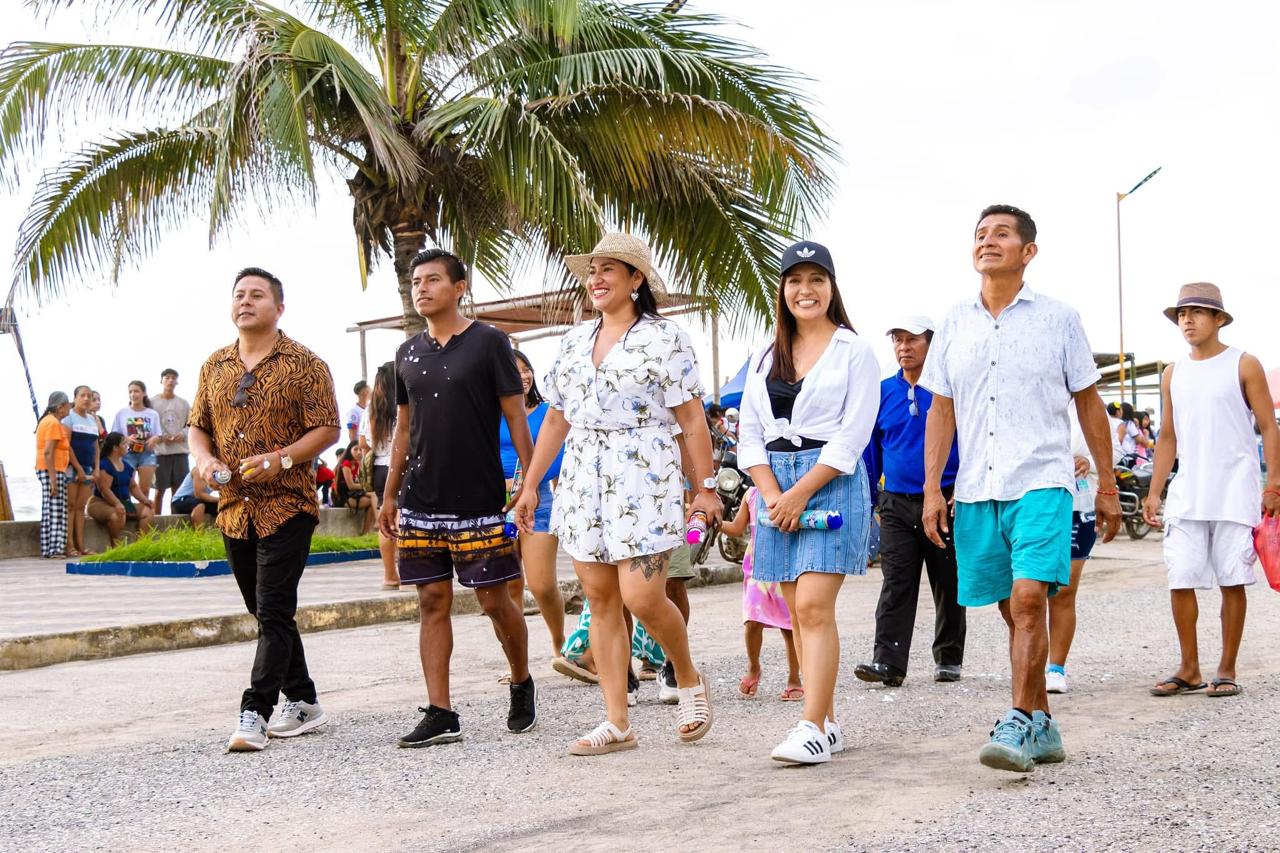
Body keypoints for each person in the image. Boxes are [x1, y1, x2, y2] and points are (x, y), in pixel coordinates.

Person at [919, 204, 1121, 774]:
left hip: (1043, 481)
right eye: (980, 234)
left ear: (1028, 251)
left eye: (1001, 234)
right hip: (978, 488)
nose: (987, 241)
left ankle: (1014, 723)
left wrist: (1107, 485)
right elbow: (941, 409)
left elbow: (1088, 402)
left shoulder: (1059, 318)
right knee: (1012, 609)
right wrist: (933, 489)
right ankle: (1043, 723)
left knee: (1031, 599)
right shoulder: (954, 322)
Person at [514, 233, 720, 756]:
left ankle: (687, 676)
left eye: (609, 268)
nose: (597, 278)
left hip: (644, 474)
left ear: (636, 280)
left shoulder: (666, 338)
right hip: (583, 477)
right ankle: (617, 721)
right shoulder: (572, 341)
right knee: (601, 599)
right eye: (592, 270)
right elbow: (556, 419)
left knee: (642, 596)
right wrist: (531, 484)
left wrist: (706, 488)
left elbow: (692, 419)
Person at [377, 249, 536, 749]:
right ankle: (442, 712)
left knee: (495, 601)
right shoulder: (407, 353)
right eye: (415, 281)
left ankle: (520, 680)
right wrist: (389, 495)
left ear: (459, 287)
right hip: (421, 499)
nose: (421, 288)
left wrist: (528, 483)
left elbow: (516, 417)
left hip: (479, 500)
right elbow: (404, 429)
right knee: (431, 600)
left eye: (432, 280)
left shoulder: (490, 342)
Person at [738, 240, 879, 766]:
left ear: (832, 288)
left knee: (815, 606)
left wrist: (799, 493)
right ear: (782, 289)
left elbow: (852, 437)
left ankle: (811, 726)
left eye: (816, 279)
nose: (805, 290)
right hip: (774, 487)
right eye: (795, 280)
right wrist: (773, 494)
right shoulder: (763, 355)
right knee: (797, 612)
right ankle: (829, 722)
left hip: (830, 482)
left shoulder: (855, 351)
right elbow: (749, 435)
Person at [189, 266, 341, 753]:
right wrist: (205, 460)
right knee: (263, 610)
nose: (246, 302)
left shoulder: (305, 363)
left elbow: (328, 428)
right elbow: (198, 425)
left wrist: (282, 459)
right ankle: (304, 699)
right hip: (234, 506)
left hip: (288, 504)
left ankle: (255, 711)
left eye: (257, 295)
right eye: (239, 294)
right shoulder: (214, 365)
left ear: (279, 307)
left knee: (274, 608)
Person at [1142, 283, 1280, 699]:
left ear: (1219, 319)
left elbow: (1268, 426)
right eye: (1182, 314)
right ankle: (1189, 668)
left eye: (1198, 312)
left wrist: (1273, 483)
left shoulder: (1244, 364)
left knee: (1232, 579)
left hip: (1235, 491)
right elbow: (1168, 436)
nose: (1188, 320)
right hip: (1187, 492)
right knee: (1180, 577)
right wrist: (1155, 492)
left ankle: (1226, 668)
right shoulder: (1173, 373)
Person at [855, 315, 965, 688]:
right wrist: (873, 501)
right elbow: (872, 450)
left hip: (946, 499)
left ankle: (949, 657)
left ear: (930, 344)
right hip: (895, 504)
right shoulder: (883, 392)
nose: (904, 347)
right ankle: (888, 662)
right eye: (897, 340)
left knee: (948, 582)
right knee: (896, 581)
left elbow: (969, 440)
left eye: (912, 339)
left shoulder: (949, 392)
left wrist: (963, 489)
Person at [1046, 400, 1122, 694]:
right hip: (1033, 502)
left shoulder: (1089, 401)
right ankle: (1028, 664)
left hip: (1079, 506)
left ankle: (1055, 668)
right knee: (1029, 591)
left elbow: (1115, 449)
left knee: (1064, 590)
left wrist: (1089, 461)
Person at [500, 350, 568, 665]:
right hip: (496, 505)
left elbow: (558, 457)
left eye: (526, 369)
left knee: (542, 585)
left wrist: (527, 483)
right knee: (509, 586)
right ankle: (518, 663)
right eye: (515, 371)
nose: (524, 376)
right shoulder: (489, 412)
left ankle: (559, 644)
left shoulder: (546, 412)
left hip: (537, 501)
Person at [718, 484, 803, 701]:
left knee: (789, 626)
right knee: (752, 621)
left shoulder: (792, 490)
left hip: (785, 563)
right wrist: (715, 522)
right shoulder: (752, 494)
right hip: (757, 566)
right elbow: (737, 528)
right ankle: (753, 667)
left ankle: (794, 678)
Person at [360, 362, 400, 589]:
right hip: (400, 468)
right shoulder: (402, 405)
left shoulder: (371, 409)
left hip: (379, 469)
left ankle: (389, 575)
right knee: (403, 519)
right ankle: (408, 574)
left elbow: (363, 443)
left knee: (385, 521)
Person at [89, 431, 156, 545]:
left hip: (123, 503)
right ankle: (116, 545)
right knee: (118, 514)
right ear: (115, 448)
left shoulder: (127, 466)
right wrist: (117, 504)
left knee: (147, 510)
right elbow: (104, 490)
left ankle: (140, 544)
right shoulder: (104, 464)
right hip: (101, 503)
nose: (127, 446)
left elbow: (133, 486)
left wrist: (145, 500)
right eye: (124, 444)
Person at [62, 385, 101, 557]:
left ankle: (81, 545)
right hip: (71, 468)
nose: (86, 399)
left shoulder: (92, 419)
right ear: (75, 398)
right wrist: (78, 468)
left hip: (88, 468)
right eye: (82, 395)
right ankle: (69, 545)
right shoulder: (68, 418)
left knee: (80, 507)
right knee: (70, 506)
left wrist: (96, 468)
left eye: (89, 396)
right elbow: (67, 445)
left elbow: (96, 446)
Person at [35, 391, 73, 558]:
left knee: (50, 509)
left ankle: (48, 548)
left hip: (51, 469)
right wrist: (53, 480)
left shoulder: (47, 421)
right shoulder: (53, 423)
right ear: (60, 407)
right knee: (57, 511)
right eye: (67, 405)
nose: (69, 408)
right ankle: (55, 549)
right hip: (52, 470)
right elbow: (48, 452)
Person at [111, 381, 162, 499]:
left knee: (144, 490)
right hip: (127, 453)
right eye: (130, 392)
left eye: (136, 391)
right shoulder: (121, 413)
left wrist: (155, 438)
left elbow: (159, 434)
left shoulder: (152, 414)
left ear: (144, 393)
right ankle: (128, 509)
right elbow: (114, 434)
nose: (133, 394)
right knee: (126, 487)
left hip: (147, 453)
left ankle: (143, 510)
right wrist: (126, 439)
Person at [152, 368, 191, 514]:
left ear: (177, 381)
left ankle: (175, 519)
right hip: (160, 452)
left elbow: (191, 424)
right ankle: (156, 520)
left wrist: (183, 434)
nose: (170, 380)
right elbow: (149, 424)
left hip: (180, 451)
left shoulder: (184, 403)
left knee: (178, 490)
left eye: (173, 378)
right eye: (167, 377)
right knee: (159, 490)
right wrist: (161, 436)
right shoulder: (152, 402)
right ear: (161, 380)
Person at [337, 440, 374, 533]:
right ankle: (367, 530)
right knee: (373, 500)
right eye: (355, 449)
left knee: (375, 496)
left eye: (360, 449)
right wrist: (367, 485)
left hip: (354, 494)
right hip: (344, 497)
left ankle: (367, 530)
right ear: (349, 450)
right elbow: (351, 486)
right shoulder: (346, 464)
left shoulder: (357, 464)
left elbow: (360, 482)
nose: (359, 452)